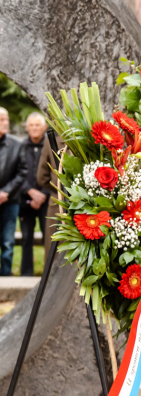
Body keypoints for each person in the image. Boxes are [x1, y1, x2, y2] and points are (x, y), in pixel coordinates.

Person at [18, 113, 48, 276]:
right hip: (25, 200)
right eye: (32, 125)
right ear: (27, 127)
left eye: (38, 125)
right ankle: (26, 274)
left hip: (46, 201)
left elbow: (55, 173)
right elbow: (17, 172)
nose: (35, 128)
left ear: (44, 127)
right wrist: (30, 191)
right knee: (26, 238)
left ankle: (48, 275)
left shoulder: (51, 146)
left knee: (49, 238)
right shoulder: (20, 147)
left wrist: (42, 194)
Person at [0, 108, 27, 276]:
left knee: (8, 243)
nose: (6, 122)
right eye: (2, 119)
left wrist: (5, 192)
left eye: (7, 119)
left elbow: (23, 172)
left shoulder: (17, 144)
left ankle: (5, 279)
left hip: (9, 202)